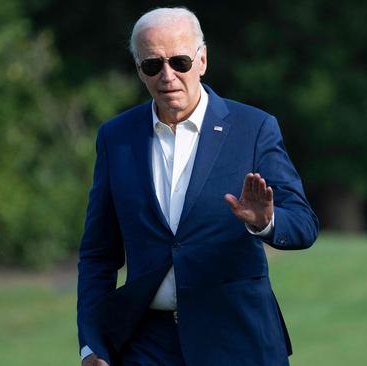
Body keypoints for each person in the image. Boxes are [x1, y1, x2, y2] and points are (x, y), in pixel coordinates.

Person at [76, 7, 318, 366]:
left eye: (180, 62)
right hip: (146, 343)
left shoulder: (253, 128)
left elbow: (303, 223)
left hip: (238, 340)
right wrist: (92, 345)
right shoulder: (116, 138)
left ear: (202, 60)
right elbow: (98, 254)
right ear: (139, 70)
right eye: (153, 65)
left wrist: (264, 222)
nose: (168, 76)